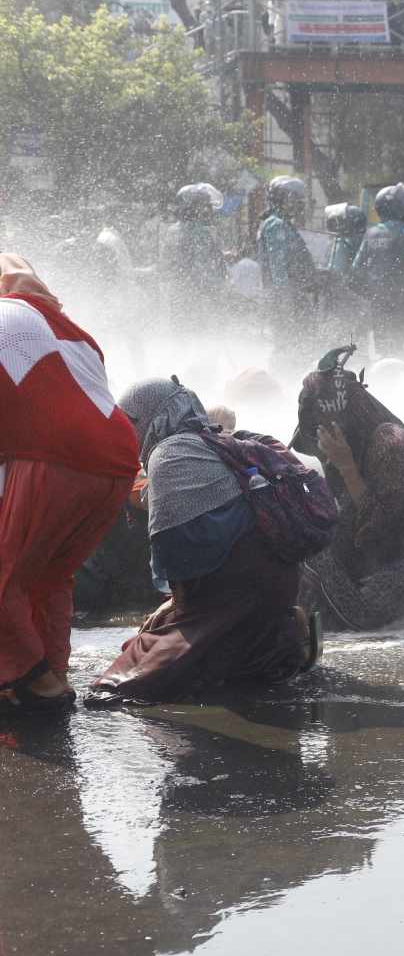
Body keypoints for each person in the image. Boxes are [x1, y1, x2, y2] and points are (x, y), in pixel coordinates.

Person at [92, 379, 321, 701]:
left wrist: (173, 605)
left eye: (132, 422)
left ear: (152, 418)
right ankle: (280, 637)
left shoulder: (171, 456)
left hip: (232, 596)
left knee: (117, 687)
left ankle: (281, 641)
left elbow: (180, 560)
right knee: (153, 642)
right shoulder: (214, 444)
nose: (128, 431)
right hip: (272, 585)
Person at [0, 255, 141, 713]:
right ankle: (53, 672)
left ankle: (38, 683)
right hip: (118, 462)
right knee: (50, 575)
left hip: (57, 459)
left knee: (6, 578)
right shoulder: (72, 331)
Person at [290, 346, 404, 630]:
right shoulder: (344, 445)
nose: (319, 441)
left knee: (319, 563)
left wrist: (346, 465)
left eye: (321, 428)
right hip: (385, 563)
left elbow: (379, 529)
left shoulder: (390, 444)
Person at [350, 183, 404, 355]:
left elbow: (356, 270)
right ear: (397, 207)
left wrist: (372, 294)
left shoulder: (371, 233)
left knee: (385, 351)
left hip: (379, 302)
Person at [257, 175, 317, 335]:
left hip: (293, 294)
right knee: (288, 342)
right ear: (279, 200)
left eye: (298, 201)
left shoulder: (285, 224)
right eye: (292, 200)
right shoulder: (276, 225)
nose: (297, 205)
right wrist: (285, 301)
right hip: (285, 297)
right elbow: (278, 265)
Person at [160, 183, 226, 320]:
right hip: (198, 296)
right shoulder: (201, 232)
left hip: (178, 292)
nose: (209, 211)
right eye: (205, 206)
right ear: (193, 208)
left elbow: (167, 264)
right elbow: (202, 268)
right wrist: (216, 290)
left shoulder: (172, 230)